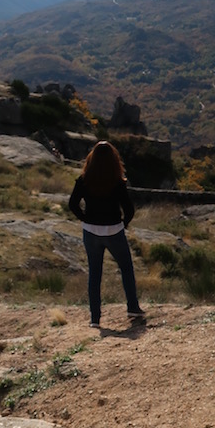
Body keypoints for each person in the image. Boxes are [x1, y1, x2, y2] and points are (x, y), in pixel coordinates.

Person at [68, 140, 145, 328]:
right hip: (113, 231)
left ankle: (95, 319)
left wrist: (85, 218)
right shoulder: (117, 182)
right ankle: (132, 307)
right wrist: (123, 224)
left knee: (95, 274)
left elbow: (72, 204)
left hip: (90, 232)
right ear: (113, 160)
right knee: (126, 268)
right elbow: (129, 210)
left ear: (91, 159)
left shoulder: (84, 180)